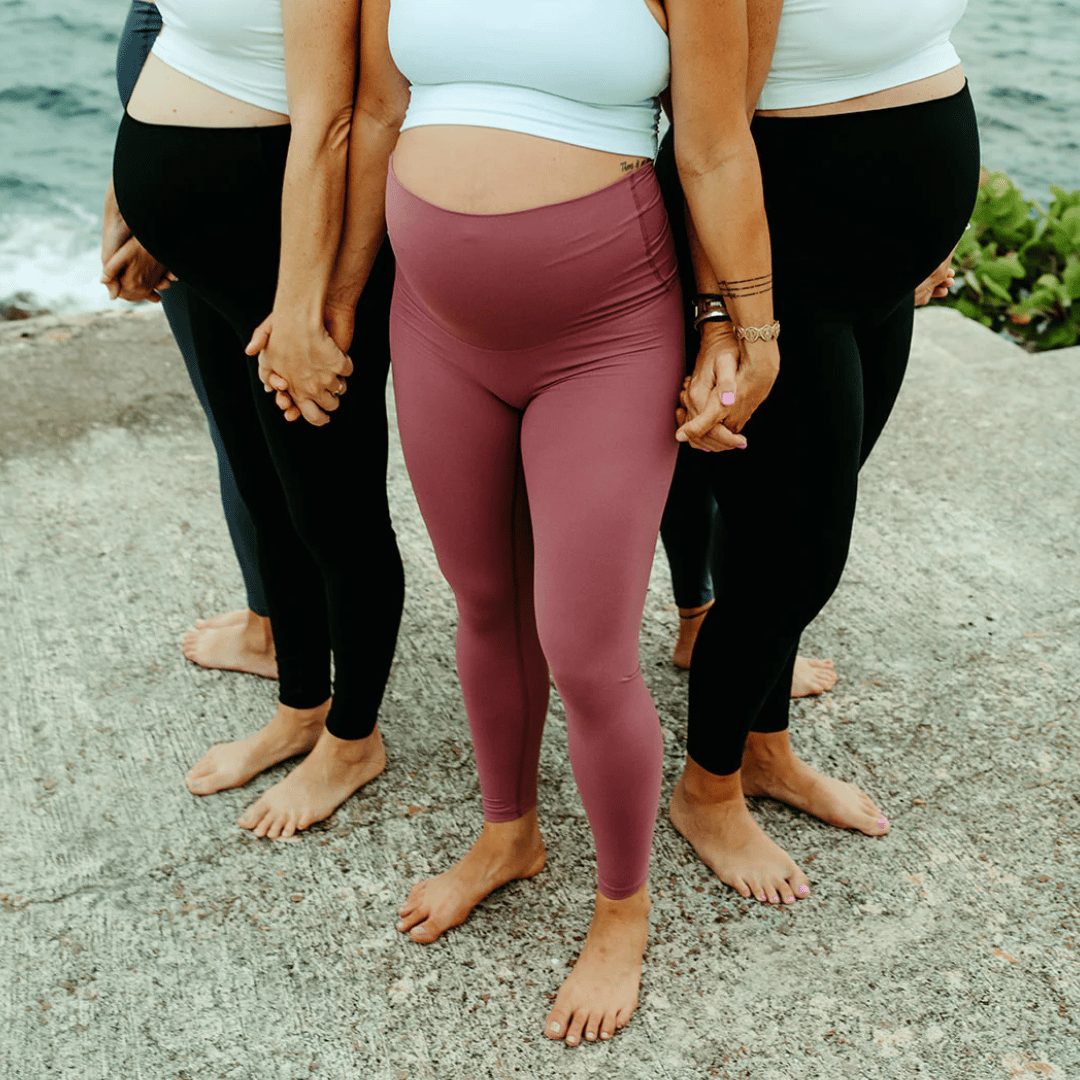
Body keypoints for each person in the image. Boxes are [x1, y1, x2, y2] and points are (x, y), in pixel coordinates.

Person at [258, 0, 779, 1047]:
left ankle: (621, 910)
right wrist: (333, 297)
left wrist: (745, 324)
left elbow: (719, 147)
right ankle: (509, 836)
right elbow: (378, 111)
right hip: (439, 326)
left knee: (587, 651)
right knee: (485, 603)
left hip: (607, 332)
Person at [659, 0, 980, 905]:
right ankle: (708, 789)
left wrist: (928, 226)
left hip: (882, 263)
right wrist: (722, 315)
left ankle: (763, 748)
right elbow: (710, 133)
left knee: (786, 531)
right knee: (797, 555)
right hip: (787, 253)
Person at [110, 0, 404, 837]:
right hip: (208, 249)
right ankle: (301, 706)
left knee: (331, 507)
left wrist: (305, 304)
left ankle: (354, 737)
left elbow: (335, 119)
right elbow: (171, 35)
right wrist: (135, 196)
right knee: (260, 481)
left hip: (282, 240)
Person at [102, 0, 276, 681]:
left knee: (245, 402)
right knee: (242, 402)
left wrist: (165, 213)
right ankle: (275, 614)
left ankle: (275, 628)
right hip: (184, 59)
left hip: (229, 103)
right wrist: (133, 193)